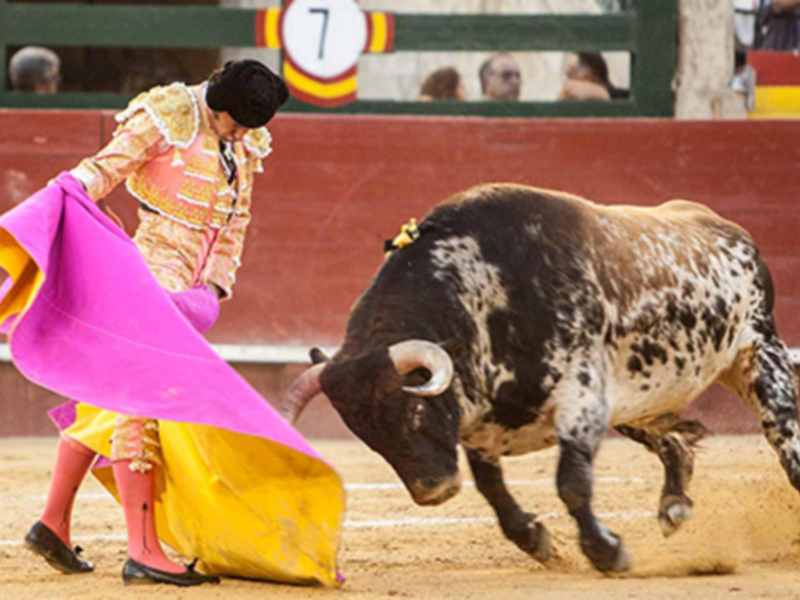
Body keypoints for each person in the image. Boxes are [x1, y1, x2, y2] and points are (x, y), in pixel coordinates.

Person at [23, 59, 290, 587]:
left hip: (189, 287)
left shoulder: (245, 141)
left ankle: (53, 523)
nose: (241, 135)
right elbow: (102, 170)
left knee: (106, 399)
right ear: (219, 105)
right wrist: (49, 205)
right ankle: (143, 550)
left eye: (248, 128)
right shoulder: (168, 113)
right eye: (235, 124)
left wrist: (213, 287)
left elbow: (236, 220)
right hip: (149, 274)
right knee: (141, 404)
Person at [558, 52, 629, 101]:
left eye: (570, 75)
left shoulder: (625, 98)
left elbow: (569, 88)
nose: (567, 81)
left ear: (589, 77)